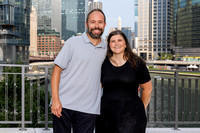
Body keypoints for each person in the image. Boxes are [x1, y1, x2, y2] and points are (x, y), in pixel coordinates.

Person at [51, 9, 106, 133]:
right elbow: (56, 71)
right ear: (86, 24)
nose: (96, 26)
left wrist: (132, 84)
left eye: (100, 22)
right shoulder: (72, 42)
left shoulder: (107, 49)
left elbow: (117, 69)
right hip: (63, 105)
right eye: (93, 22)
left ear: (104, 25)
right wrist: (55, 100)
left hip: (89, 108)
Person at [96, 30, 153, 133]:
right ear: (109, 45)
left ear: (125, 44)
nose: (116, 44)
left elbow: (147, 88)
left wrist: (141, 108)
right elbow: (96, 87)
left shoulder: (136, 63)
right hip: (106, 116)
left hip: (132, 117)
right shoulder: (102, 63)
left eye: (119, 40)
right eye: (113, 41)